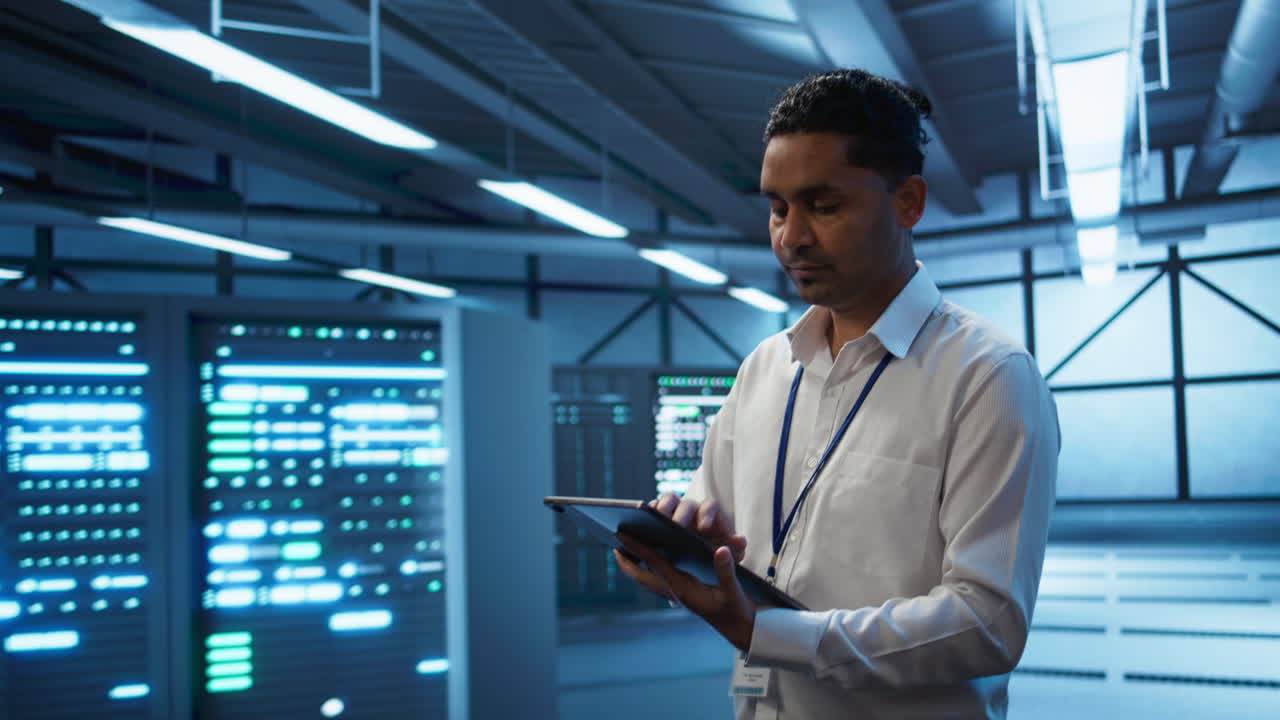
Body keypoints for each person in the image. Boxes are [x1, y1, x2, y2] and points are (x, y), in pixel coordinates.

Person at [615, 69, 1060, 719]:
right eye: (777, 208)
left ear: (908, 202)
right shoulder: (765, 368)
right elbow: (724, 535)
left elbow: (986, 622)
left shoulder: (987, 378)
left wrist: (768, 635)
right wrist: (686, 544)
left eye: (823, 207)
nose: (790, 237)